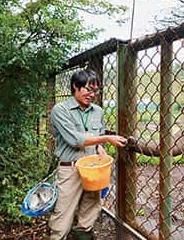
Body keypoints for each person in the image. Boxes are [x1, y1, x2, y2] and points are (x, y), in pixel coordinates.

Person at [48, 69, 127, 240]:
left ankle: (83, 234)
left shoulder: (97, 111)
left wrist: (100, 147)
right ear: (75, 86)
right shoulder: (60, 110)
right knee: (63, 212)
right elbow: (75, 139)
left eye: (95, 91)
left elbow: (96, 135)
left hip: (93, 168)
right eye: (88, 89)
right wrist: (106, 138)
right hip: (71, 169)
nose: (92, 94)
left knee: (91, 207)